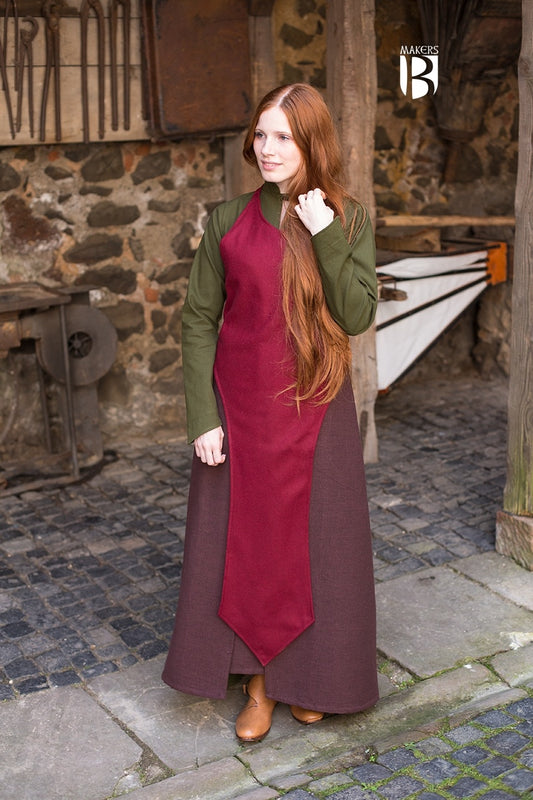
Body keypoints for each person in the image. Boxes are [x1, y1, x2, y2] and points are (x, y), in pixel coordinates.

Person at [162, 83, 379, 743]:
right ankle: (258, 684)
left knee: (320, 546)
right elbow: (198, 320)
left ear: (311, 142)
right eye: (260, 134)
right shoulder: (227, 220)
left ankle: (311, 680)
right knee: (251, 547)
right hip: (241, 411)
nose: (267, 148)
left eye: (283, 136)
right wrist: (202, 417)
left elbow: (356, 314)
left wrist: (323, 233)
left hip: (317, 409)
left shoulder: (346, 219)